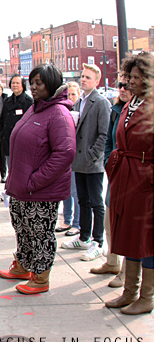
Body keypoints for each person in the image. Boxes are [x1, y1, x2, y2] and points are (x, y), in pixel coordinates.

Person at [0, 64, 76, 295]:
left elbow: (65, 153)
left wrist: (34, 181)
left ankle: (40, 277)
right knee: (22, 228)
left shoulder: (59, 114)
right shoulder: (36, 108)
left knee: (40, 233)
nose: (33, 87)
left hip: (40, 189)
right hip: (22, 187)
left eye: (38, 83)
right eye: (31, 82)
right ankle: (23, 264)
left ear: (51, 85)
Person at [105, 53, 154, 315]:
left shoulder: (153, 105)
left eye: (137, 77)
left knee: (145, 238)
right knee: (126, 233)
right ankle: (129, 292)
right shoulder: (130, 103)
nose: (131, 81)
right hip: (125, 174)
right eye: (130, 76)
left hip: (144, 178)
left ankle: (146, 297)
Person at [61, 64, 110, 262]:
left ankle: (98, 241)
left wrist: (92, 155)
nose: (83, 79)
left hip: (92, 162)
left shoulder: (101, 102)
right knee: (83, 200)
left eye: (88, 77)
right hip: (78, 161)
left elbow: (104, 133)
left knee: (96, 202)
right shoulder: (79, 101)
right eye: (82, 76)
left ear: (96, 81)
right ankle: (84, 237)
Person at [90, 75, 132, 287]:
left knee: (128, 225)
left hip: (133, 175)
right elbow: (108, 140)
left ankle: (127, 272)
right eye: (120, 85)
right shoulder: (116, 110)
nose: (122, 89)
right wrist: (109, 162)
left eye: (127, 85)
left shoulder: (140, 112)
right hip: (115, 173)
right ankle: (112, 261)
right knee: (110, 221)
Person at [55, 81, 81, 236]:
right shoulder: (62, 110)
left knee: (75, 191)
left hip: (78, 156)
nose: (70, 97)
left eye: (73, 94)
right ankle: (67, 219)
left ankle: (76, 223)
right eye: (68, 94)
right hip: (65, 155)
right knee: (66, 190)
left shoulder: (80, 110)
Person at [0, 75, 33, 168]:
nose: (15, 85)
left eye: (17, 83)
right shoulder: (7, 101)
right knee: (11, 169)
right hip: (8, 141)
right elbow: (2, 120)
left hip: (22, 143)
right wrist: (2, 134)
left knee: (22, 170)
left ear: (23, 85)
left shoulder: (29, 102)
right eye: (13, 83)